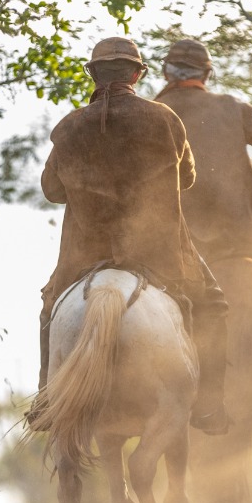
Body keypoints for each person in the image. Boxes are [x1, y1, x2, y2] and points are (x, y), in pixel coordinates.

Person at [33, 36, 231, 434]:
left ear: (93, 74)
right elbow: (187, 178)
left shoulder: (69, 127)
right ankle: (210, 405)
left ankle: (44, 397)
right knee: (213, 305)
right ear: (138, 74)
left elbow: (52, 191)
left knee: (50, 309)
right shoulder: (164, 118)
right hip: (159, 255)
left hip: (83, 258)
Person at [153, 39, 252, 266]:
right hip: (243, 234)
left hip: (177, 241)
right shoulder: (231, 107)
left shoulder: (151, 114)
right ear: (207, 74)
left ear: (165, 71)